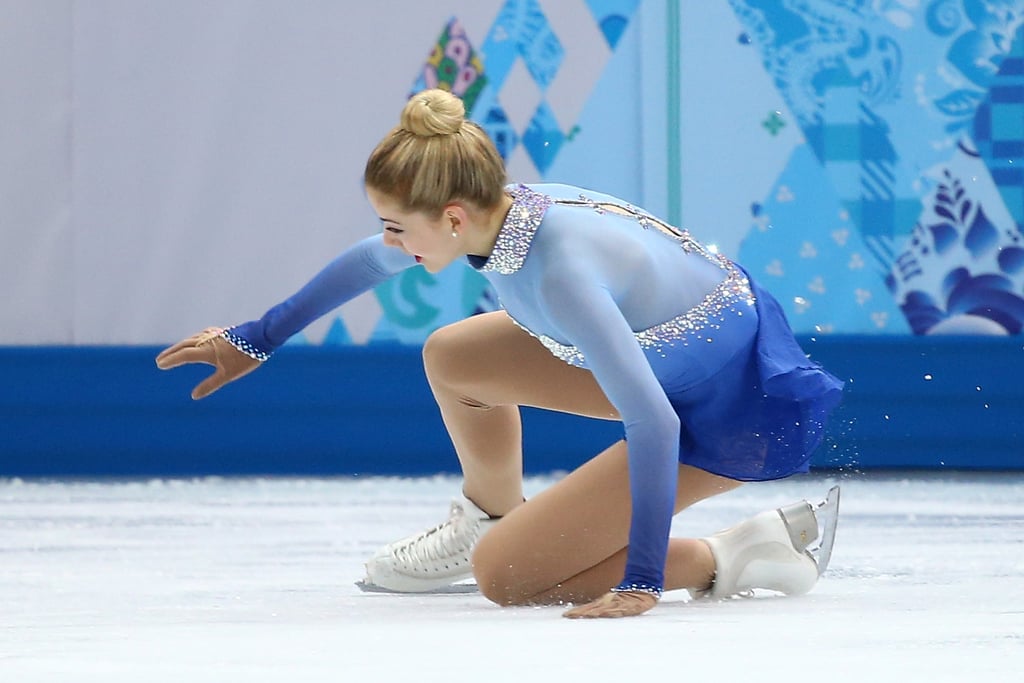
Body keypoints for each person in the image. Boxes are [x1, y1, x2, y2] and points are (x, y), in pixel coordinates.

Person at [157, 88, 844, 619]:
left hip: (726, 409)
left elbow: (657, 422)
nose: (390, 241)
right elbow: (370, 264)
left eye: (397, 226)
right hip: (668, 362)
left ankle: (735, 554)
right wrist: (256, 337)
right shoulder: (498, 217)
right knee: (455, 356)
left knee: (505, 577)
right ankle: (492, 512)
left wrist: (641, 578)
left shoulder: (561, 275)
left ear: (452, 216)